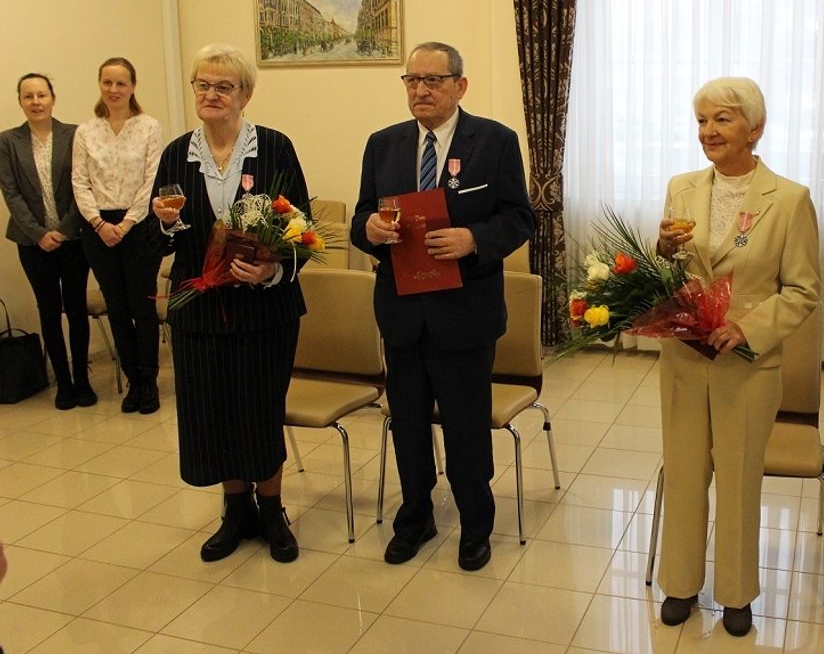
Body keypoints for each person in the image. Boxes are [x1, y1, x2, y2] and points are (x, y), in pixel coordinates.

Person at [350, 41, 534, 572]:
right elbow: (364, 213)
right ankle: (415, 516)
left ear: (460, 85)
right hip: (403, 312)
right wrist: (369, 228)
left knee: (465, 427)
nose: (421, 90)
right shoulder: (382, 144)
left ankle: (476, 525)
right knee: (407, 423)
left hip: (464, 312)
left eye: (432, 80)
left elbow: (519, 217)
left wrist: (473, 240)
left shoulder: (494, 141)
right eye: (412, 80)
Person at [653, 77, 820, 637]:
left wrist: (746, 328)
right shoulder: (681, 187)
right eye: (701, 120)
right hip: (684, 356)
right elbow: (670, 271)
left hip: (746, 363)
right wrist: (663, 254)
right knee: (682, 471)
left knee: (739, 480)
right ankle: (678, 582)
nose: (708, 132)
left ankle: (737, 592)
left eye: (722, 120)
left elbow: (801, 291)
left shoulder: (790, 199)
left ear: (755, 128)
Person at [147, 44, 310, 564]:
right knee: (213, 413)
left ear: (245, 94)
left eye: (224, 86)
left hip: (264, 311)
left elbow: (301, 229)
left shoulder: (275, 147)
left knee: (258, 411)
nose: (211, 94)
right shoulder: (176, 153)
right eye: (203, 84)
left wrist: (271, 269)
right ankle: (234, 511)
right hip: (199, 310)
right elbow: (160, 240)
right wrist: (166, 225)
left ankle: (274, 511)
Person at [72, 57, 164, 414]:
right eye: (107, 83)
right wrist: (99, 224)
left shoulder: (148, 127)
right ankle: (133, 382)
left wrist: (126, 225)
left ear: (133, 87)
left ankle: (150, 381)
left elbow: (151, 179)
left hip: (139, 225)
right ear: (100, 85)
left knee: (142, 305)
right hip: (97, 228)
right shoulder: (86, 131)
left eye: (121, 83)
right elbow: (79, 182)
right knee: (117, 307)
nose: (114, 90)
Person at [0, 73, 95, 409]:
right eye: (28, 96)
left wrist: (66, 229)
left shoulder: (74, 135)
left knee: (76, 308)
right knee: (49, 311)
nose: (36, 102)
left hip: (73, 239)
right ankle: (64, 384)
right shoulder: (8, 141)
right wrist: (40, 233)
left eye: (42, 95)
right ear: (20, 101)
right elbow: (11, 193)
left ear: (53, 98)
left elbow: (81, 185)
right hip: (31, 243)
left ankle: (83, 380)